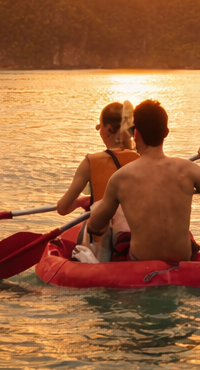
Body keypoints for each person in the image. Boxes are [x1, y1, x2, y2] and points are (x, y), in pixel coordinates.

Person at [85, 98, 200, 264]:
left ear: (135, 133)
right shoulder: (187, 169)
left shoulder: (120, 178)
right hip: (182, 263)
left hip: (141, 265)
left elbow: (94, 225)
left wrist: (103, 207)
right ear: (166, 132)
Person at [57, 100, 139, 261]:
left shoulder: (91, 162)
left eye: (100, 126)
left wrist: (80, 201)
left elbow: (62, 208)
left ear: (108, 130)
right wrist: (85, 200)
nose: (99, 130)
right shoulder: (142, 158)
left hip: (106, 247)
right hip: (138, 242)